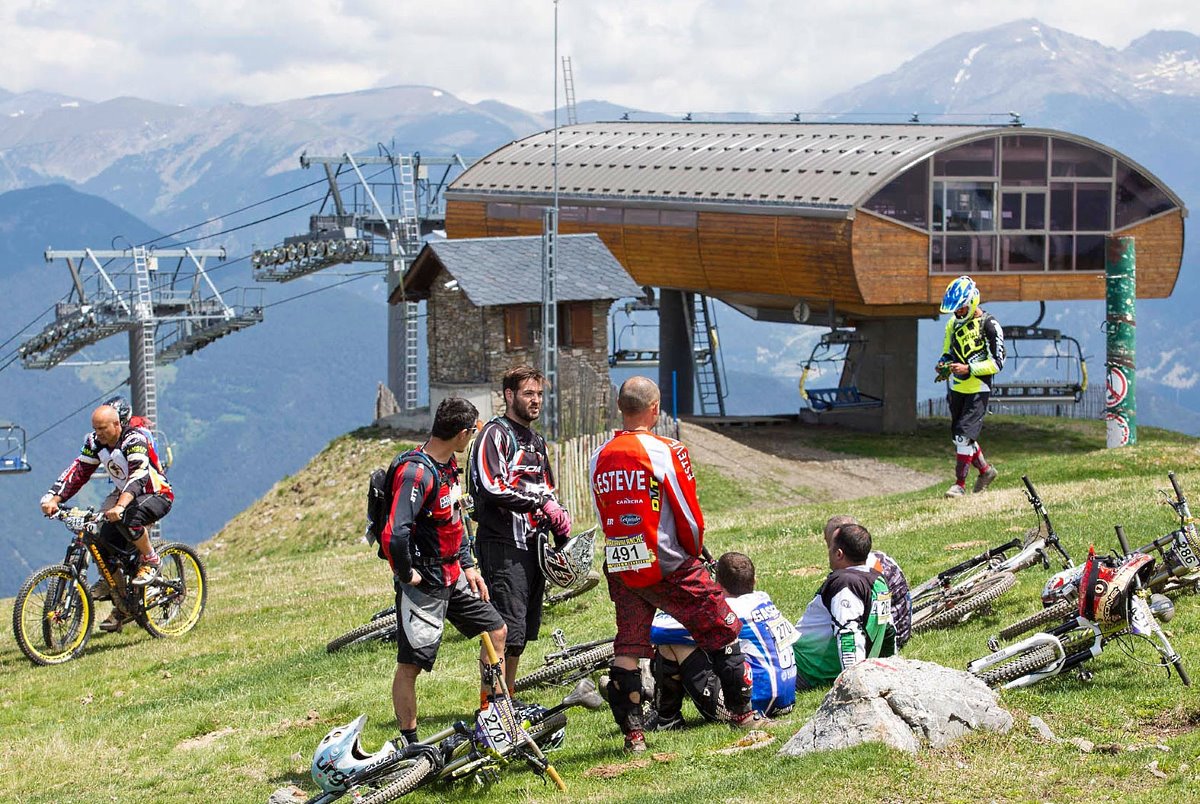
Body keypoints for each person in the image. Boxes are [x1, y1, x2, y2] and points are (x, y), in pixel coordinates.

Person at [590, 376, 753, 753]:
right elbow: (689, 514)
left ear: (620, 407)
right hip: (667, 560)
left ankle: (634, 737)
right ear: (655, 409)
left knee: (629, 644)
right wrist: (694, 550)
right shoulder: (667, 450)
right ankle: (743, 715)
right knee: (723, 625)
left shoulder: (598, 456)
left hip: (620, 561)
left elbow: (604, 509)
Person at [381, 396, 507, 747]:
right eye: (473, 431)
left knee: (496, 631)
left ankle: (489, 718)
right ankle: (411, 744)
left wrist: (469, 566)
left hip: (454, 576)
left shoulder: (449, 465)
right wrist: (407, 575)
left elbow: (454, 521)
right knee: (412, 665)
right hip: (425, 585)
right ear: (463, 433)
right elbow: (395, 533)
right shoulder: (416, 473)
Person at [469, 365, 571, 691]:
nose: (536, 400)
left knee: (521, 635)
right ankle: (490, 706)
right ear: (509, 395)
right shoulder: (495, 435)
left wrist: (561, 528)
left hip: (532, 548)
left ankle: (506, 699)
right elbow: (490, 486)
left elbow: (546, 489)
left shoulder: (537, 441)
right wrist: (539, 504)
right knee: (501, 630)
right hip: (502, 544)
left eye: (539, 394)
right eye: (529, 394)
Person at [39, 404, 173, 631]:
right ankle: (122, 601)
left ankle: (150, 559)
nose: (98, 433)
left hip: (155, 493)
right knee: (101, 540)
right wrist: (54, 497)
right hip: (125, 495)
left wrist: (120, 505)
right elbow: (78, 471)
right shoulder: (95, 443)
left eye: (102, 429)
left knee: (129, 519)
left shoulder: (134, 440)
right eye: (95, 428)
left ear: (117, 425)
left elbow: (140, 474)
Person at [650, 551, 797, 729]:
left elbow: (657, 629)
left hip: (756, 702)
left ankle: (667, 719)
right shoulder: (763, 599)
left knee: (671, 642)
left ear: (717, 585)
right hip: (786, 700)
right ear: (754, 580)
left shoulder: (729, 610)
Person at [792, 522, 895, 690]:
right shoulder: (878, 579)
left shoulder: (845, 584)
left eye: (830, 547)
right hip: (832, 669)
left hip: (808, 672)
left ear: (839, 554)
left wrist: (855, 685)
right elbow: (889, 630)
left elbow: (848, 634)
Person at [936, 275, 1005, 499]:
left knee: (964, 437)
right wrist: (943, 364)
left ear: (972, 302)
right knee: (960, 437)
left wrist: (969, 368)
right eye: (955, 311)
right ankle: (985, 471)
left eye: (961, 310)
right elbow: (947, 351)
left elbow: (997, 363)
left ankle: (959, 485)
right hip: (957, 388)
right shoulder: (952, 325)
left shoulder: (990, 325)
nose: (958, 314)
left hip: (978, 388)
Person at [824, 515, 911, 649]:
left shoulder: (855, 578)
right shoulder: (878, 558)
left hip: (885, 641)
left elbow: (850, 623)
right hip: (899, 631)